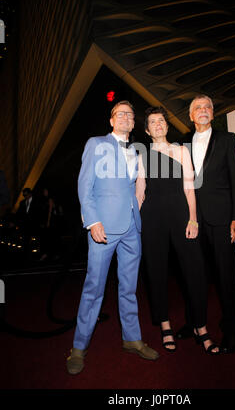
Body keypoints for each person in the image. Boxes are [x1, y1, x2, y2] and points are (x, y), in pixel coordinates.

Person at [66, 100, 159, 375]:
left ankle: (131, 339)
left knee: (129, 288)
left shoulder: (136, 150)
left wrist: (137, 211)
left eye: (130, 115)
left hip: (132, 227)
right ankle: (79, 347)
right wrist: (92, 220)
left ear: (133, 123)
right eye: (120, 114)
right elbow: (85, 185)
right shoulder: (96, 143)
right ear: (111, 120)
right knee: (94, 289)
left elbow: (135, 188)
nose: (126, 117)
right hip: (103, 228)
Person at [136, 107, 219, 354]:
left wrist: (193, 219)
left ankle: (200, 326)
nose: (158, 124)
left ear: (166, 126)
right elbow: (140, 191)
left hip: (181, 215)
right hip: (152, 218)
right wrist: (134, 222)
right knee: (156, 272)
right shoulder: (142, 155)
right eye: (153, 122)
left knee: (195, 270)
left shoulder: (182, 150)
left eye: (161, 120)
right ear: (148, 130)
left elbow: (190, 189)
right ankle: (165, 325)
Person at [176, 94, 235, 353]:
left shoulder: (227, 139)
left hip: (221, 219)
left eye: (208, 107)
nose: (203, 110)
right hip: (191, 220)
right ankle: (194, 322)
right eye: (198, 108)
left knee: (226, 276)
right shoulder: (180, 142)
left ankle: (231, 329)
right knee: (193, 275)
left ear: (213, 114)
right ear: (191, 115)